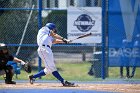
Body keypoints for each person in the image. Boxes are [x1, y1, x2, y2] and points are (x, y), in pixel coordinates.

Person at [29, 23, 75, 87]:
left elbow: (54, 40)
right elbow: (53, 34)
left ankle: (33, 77)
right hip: (43, 49)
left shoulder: (47, 36)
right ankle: (63, 81)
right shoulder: (44, 29)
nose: (54, 30)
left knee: (48, 69)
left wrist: (65, 41)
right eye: (53, 29)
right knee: (52, 68)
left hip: (47, 49)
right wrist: (63, 38)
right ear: (50, 27)